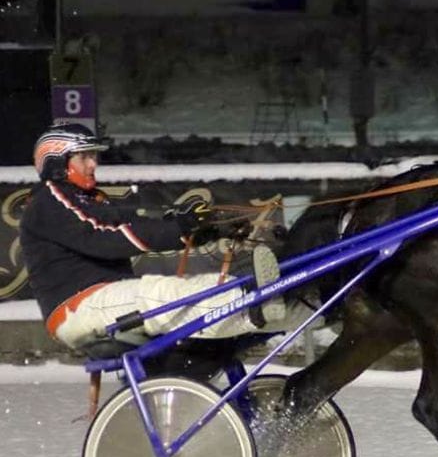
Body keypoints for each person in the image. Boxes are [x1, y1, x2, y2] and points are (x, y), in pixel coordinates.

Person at [20, 123, 287, 350]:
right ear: (57, 161)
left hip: (103, 299)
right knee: (161, 293)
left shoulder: (90, 201)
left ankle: (290, 309)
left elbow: (136, 223)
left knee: (206, 286)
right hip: (77, 308)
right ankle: (255, 303)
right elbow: (104, 239)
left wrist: (203, 231)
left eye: (93, 156)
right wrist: (178, 228)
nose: (93, 163)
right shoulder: (49, 199)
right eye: (84, 157)